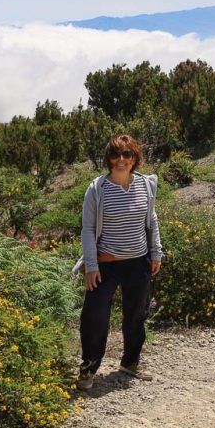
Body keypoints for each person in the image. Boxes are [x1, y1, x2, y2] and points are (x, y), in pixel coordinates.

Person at [73, 134, 163, 390]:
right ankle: (88, 369)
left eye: (127, 155)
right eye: (116, 155)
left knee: (136, 315)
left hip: (138, 263)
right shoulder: (97, 189)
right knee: (94, 318)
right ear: (108, 159)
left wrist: (156, 253)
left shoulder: (145, 185)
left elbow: (152, 220)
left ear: (135, 158)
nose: (121, 160)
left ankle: (130, 363)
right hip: (105, 264)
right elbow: (88, 229)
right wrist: (91, 265)